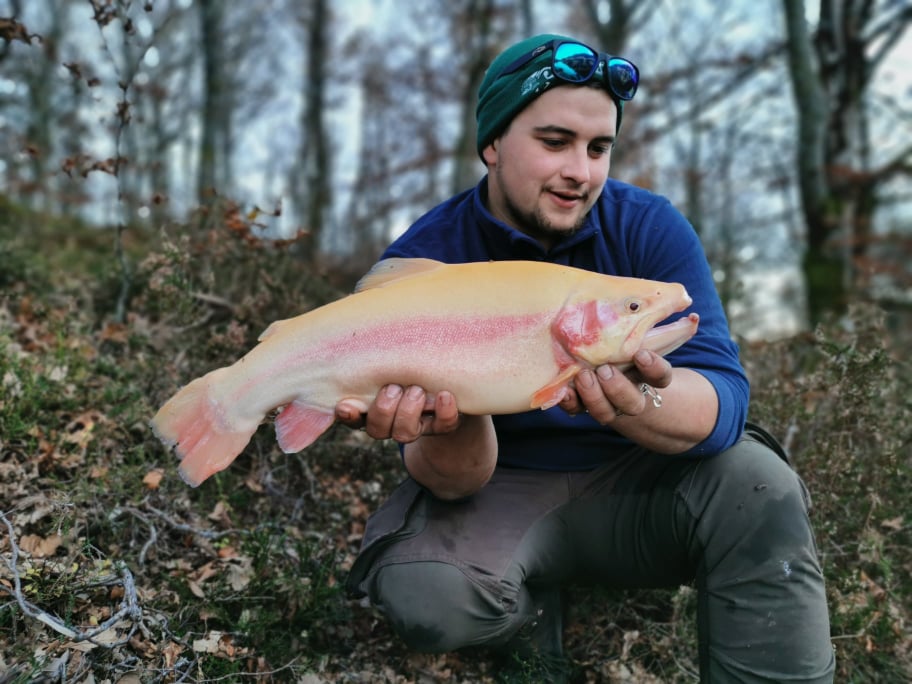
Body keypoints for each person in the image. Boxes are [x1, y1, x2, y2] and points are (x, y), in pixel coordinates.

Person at [337, 34, 835, 682]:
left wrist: (638, 402)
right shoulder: (428, 258)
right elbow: (455, 480)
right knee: (426, 597)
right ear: (491, 144)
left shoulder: (649, 228)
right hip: (501, 489)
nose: (582, 171)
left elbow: (724, 407)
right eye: (555, 142)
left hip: (638, 488)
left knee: (760, 486)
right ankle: (529, 614)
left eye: (599, 148)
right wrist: (454, 414)